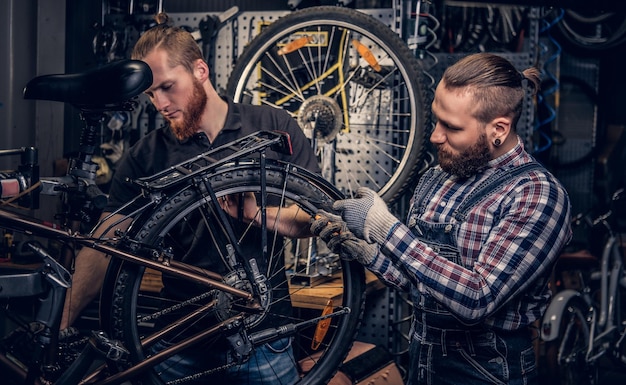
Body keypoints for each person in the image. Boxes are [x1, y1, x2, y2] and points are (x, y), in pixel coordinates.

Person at [60, 13, 319, 384]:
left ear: (200, 70)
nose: (160, 104)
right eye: (150, 94)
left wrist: (256, 212)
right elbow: (105, 245)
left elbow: (315, 220)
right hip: (179, 343)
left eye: (167, 86)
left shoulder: (272, 128)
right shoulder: (144, 156)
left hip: (265, 337)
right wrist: (60, 322)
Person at [311, 52, 572, 385]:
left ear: (498, 129)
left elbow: (478, 298)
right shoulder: (437, 178)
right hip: (423, 362)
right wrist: (363, 250)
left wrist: (384, 228)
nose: (435, 136)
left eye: (451, 126)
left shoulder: (536, 196)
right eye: (437, 120)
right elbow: (419, 284)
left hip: (484, 372)